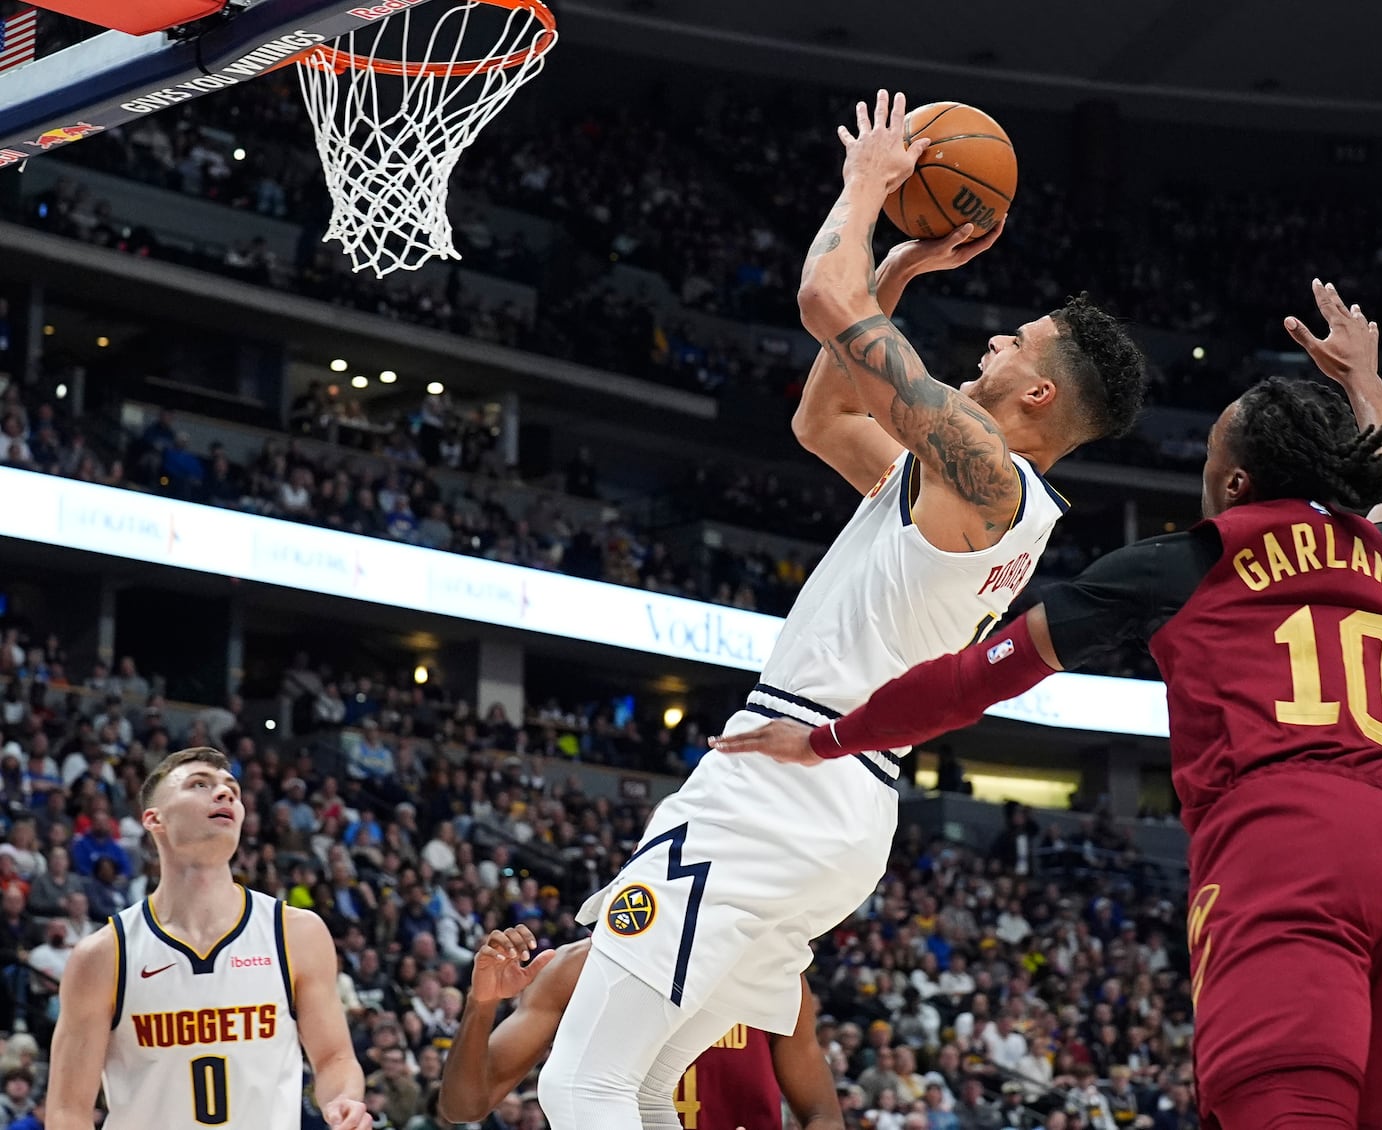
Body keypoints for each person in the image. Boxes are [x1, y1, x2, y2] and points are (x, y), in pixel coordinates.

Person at [712, 283, 1382, 1129]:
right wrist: (1368, 382)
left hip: (1293, 843)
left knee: (1286, 1105)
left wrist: (828, 736)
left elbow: (976, 679)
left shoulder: (1192, 559)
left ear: (1233, 480)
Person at [537, 90, 1147, 1130]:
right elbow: (821, 416)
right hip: (828, 803)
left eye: (1017, 343)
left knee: (579, 1082)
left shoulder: (985, 469)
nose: (995, 338)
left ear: (1038, 398)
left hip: (781, 790)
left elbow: (824, 294)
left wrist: (867, 187)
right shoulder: (967, 491)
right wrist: (901, 270)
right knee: (641, 1088)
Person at [44, 747, 373, 1130]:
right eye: (200, 784)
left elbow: (334, 1057)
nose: (224, 793)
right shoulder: (103, 955)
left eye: (231, 787)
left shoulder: (295, 933)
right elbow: (68, 1110)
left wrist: (343, 1100)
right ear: (154, 819)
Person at [439, 929, 843, 1130]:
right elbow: (464, 1106)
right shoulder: (576, 968)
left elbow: (823, 1114)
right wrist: (482, 1004)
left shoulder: (770, 973)